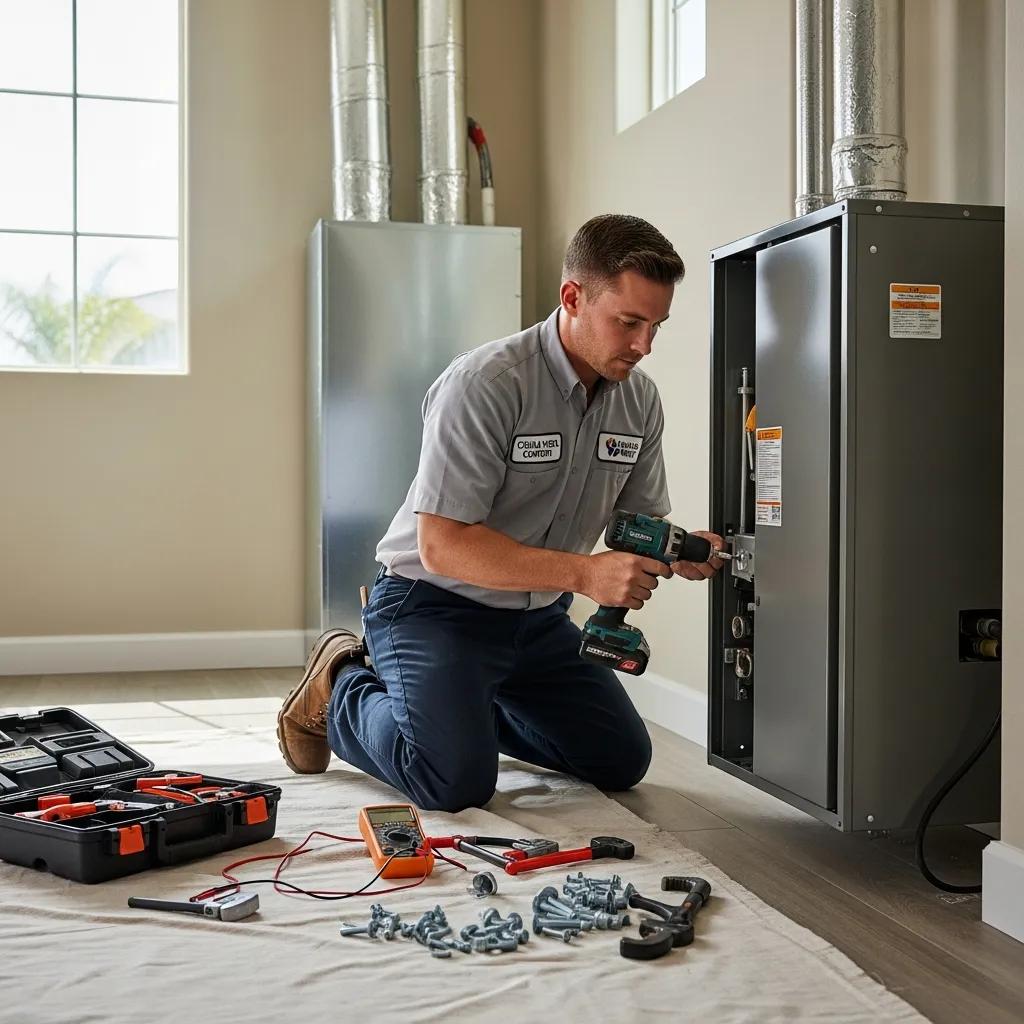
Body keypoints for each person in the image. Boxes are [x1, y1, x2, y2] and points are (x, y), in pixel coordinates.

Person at [277, 213, 724, 811]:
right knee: (452, 781)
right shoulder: (487, 383)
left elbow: (633, 522)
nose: (644, 346)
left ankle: (454, 709)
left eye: (656, 326)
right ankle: (340, 690)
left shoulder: (639, 401)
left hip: (536, 621)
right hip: (434, 607)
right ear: (572, 297)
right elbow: (444, 546)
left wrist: (679, 549)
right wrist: (584, 573)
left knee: (618, 761)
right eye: (629, 322)